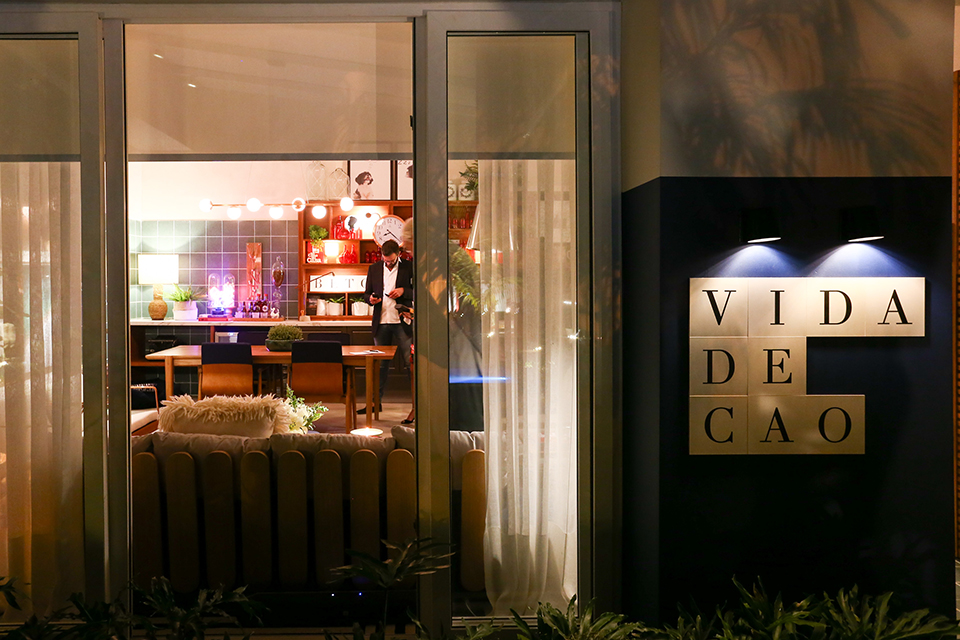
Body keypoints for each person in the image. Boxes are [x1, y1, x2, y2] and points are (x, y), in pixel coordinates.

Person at [360, 239, 413, 414]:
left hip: (402, 322)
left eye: (391, 260)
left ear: (398, 254)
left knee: (410, 363)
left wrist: (403, 291)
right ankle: (374, 403)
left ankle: (417, 406)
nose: (388, 263)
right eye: (385, 260)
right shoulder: (374, 268)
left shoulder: (409, 267)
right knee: (379, 365)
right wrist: (371, 299)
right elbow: (366, 294)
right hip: (381, 322)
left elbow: (419, 291)